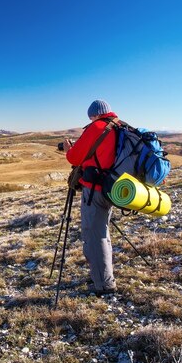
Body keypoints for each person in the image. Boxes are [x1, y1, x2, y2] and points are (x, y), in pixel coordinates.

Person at [63, 99, 118, 295]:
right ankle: (102, 274)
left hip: (95, 189)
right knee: (102, 232)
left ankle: (103, 284)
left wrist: (69, 148)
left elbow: (74, 158)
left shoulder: (96, 127)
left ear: (94, 115)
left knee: (95, 236)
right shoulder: (119, 127)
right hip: (114, 188)